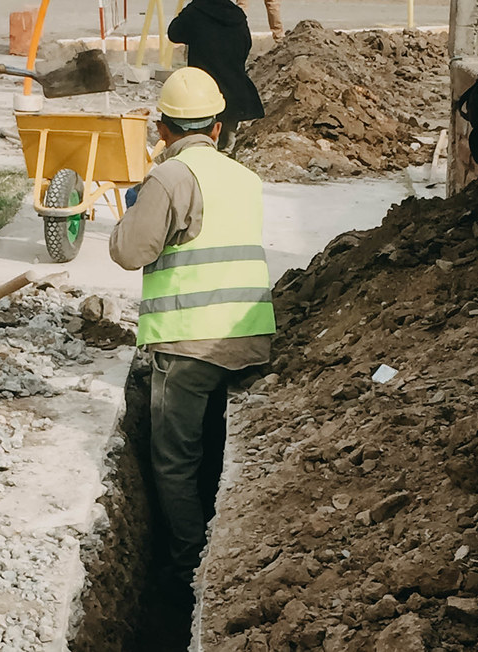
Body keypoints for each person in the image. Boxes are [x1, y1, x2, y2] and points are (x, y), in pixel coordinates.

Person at [109, 68, 276, 603]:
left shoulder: (169, 178)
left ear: (162, 128)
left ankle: (187, 571)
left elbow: (130, 251)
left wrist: (133, 209)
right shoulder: (244, 177)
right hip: (248, 338)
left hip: (187, 345)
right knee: (214, 447)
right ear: (219, 128)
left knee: (175, 461)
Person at [168, 0, 264, 153]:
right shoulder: (236, 15)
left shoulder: (196, 11)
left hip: (201, 88)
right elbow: (246, 44)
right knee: (226, 146)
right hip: (232, 89)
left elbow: (174, 33)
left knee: (198, 142)